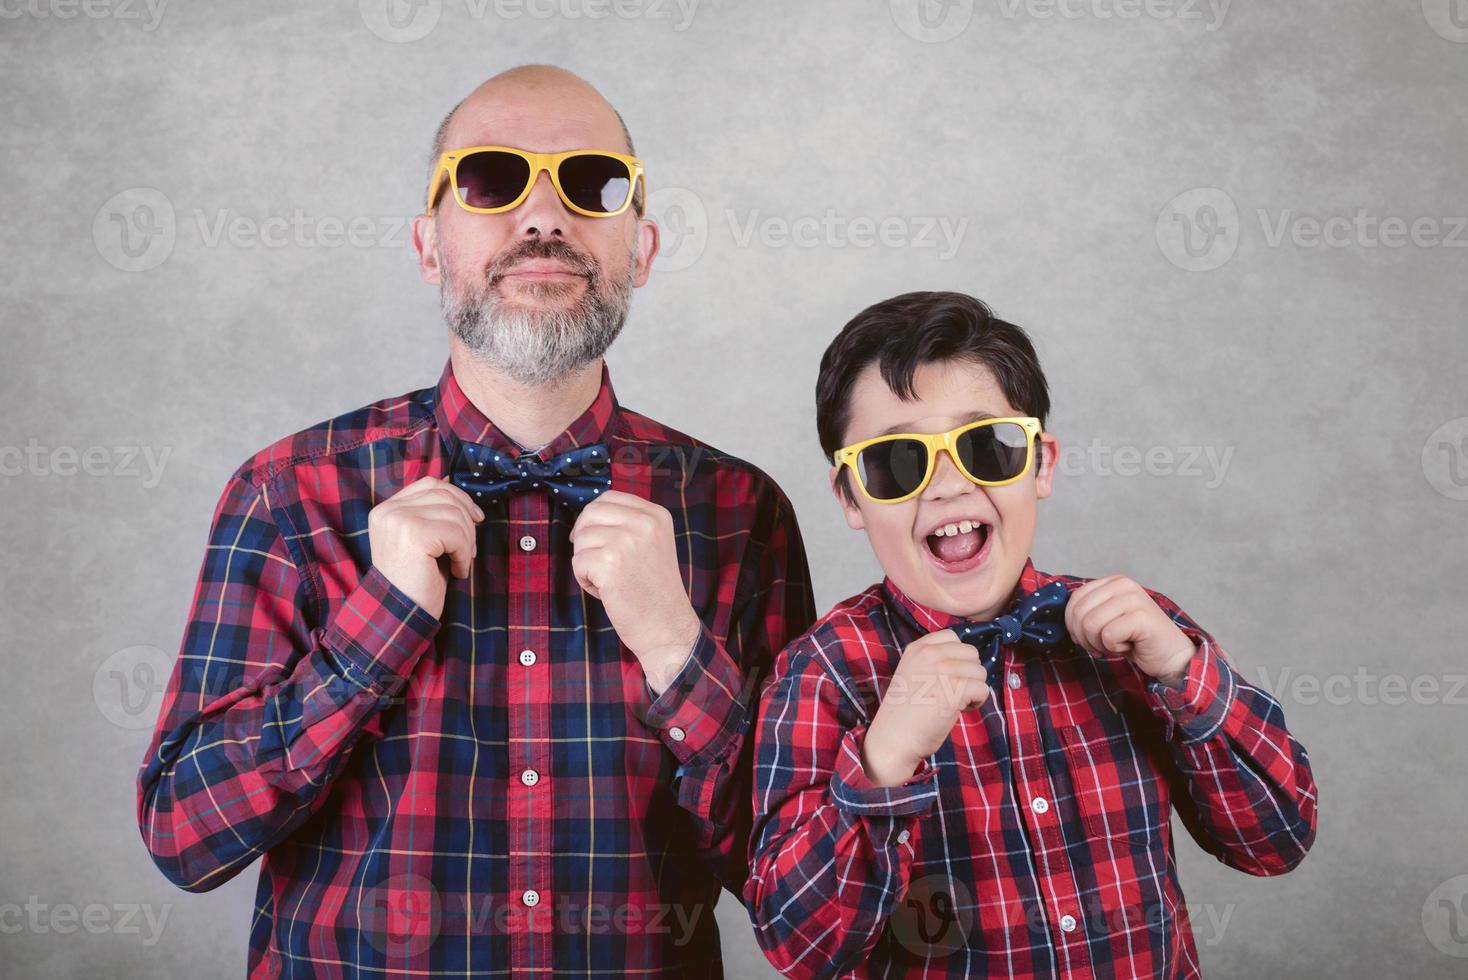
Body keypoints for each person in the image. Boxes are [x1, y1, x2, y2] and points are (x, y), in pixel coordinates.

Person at [137, 64, 815, 978]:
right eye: (491, 178)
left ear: (643, 248)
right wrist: (375, 632)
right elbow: (185, 836)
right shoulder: (287, 494)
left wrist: (675, 650)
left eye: (589, 181)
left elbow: (798, 884)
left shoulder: (740, 514)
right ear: (428, 244)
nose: (543, 217)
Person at [745, 290, 1316, 978]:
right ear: (850, 497)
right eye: (897, 461)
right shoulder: (822, 674)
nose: (949, 485)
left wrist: (1180, 671)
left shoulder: (1139, 634)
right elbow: (800, 948)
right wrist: (882, 762)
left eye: (984, 446)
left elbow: (1277, 840)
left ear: (1041, 463)